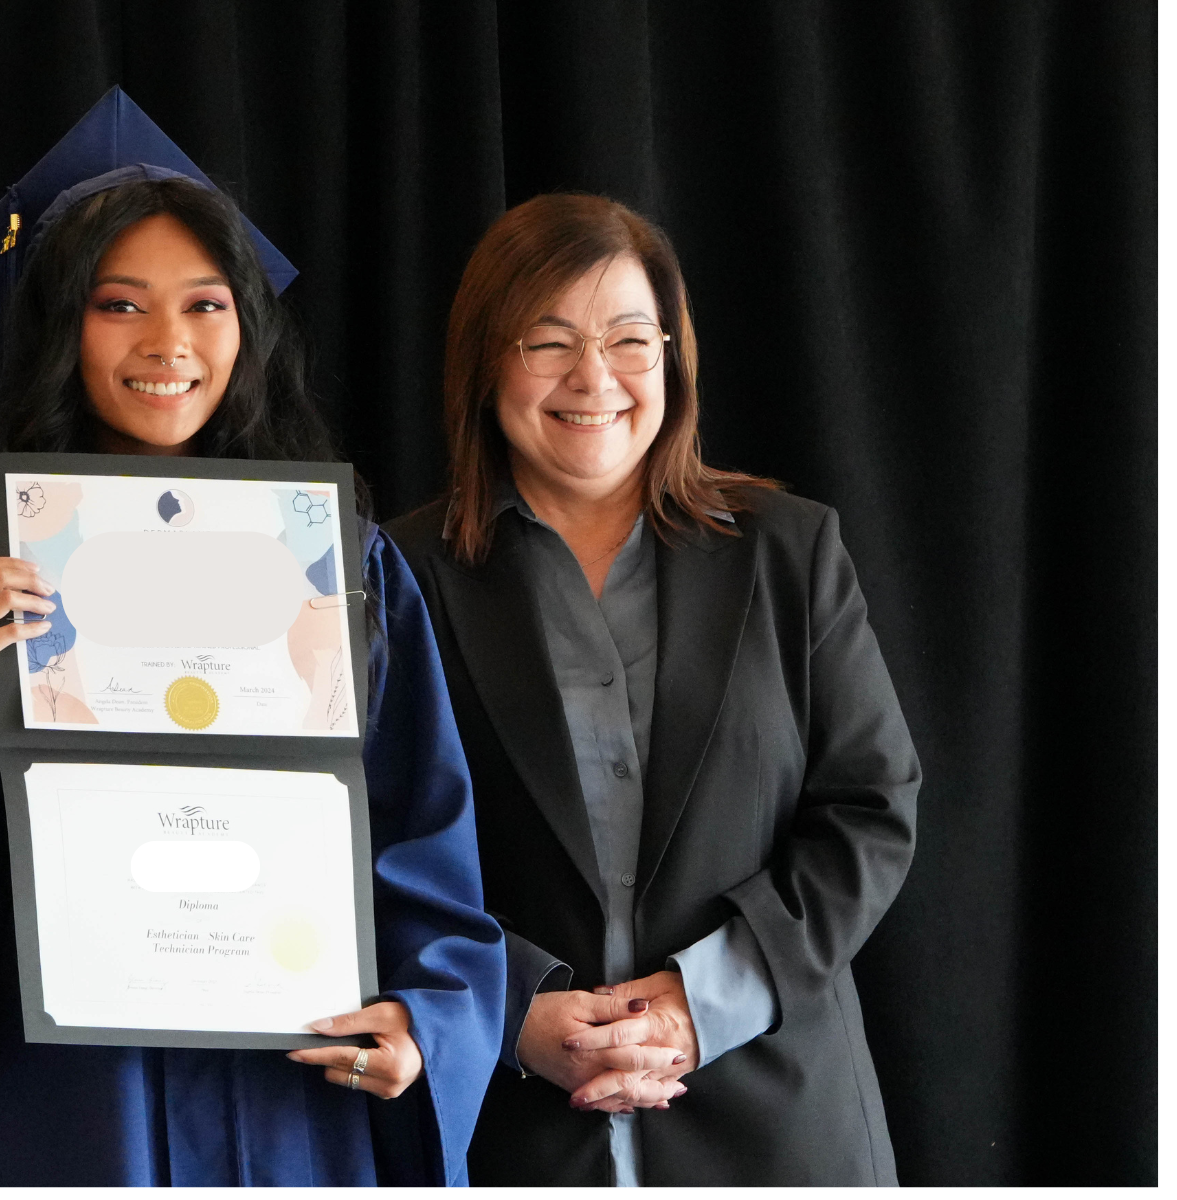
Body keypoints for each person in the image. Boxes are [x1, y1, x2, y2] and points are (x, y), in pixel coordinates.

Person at [0, 90, 504, 1187]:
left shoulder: (342, 568)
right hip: (82, 1100)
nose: (169, 345)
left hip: (299, 1088)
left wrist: (425, 1022)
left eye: (207, 304)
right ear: (55, 323)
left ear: (248, 326)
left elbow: (426, 827)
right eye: (118, 304)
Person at [385, 193, 919, 1186]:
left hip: (780, 1130)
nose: (595, 378)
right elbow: (362, 845)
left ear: (671, 355)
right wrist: (506, 1012)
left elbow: (873, 811)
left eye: (631, 338)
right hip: (513, 1132)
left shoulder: (788, 553)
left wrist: (698, 1000)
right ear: (485, 363)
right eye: (548, 342)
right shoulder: (396, 576)